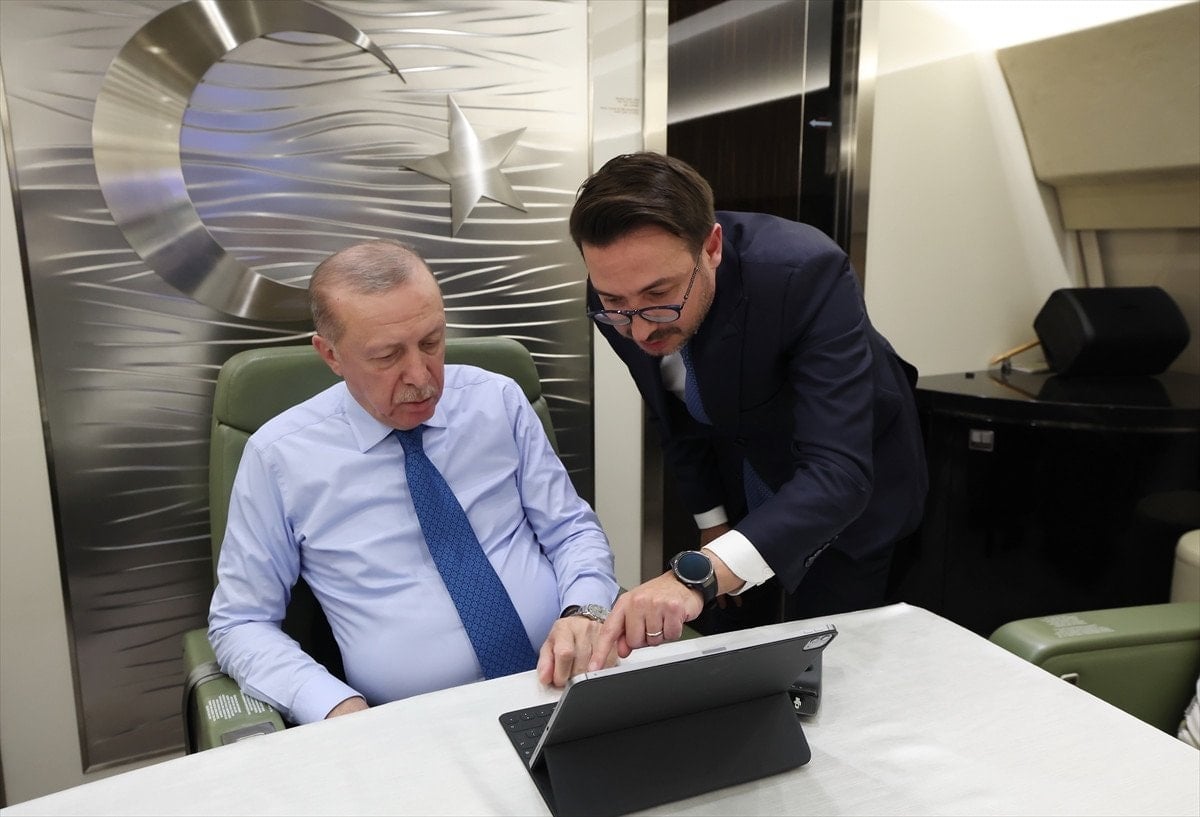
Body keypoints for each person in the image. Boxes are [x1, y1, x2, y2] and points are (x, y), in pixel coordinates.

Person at [209, 239, 619, 724]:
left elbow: (571, 531)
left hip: (567, 681)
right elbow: (241, 622)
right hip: (413, 722)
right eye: (386, 356)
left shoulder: (497, 402)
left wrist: (586, 611)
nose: (421, 377)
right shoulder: (279, 457)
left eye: (431, 342)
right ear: (331, 355)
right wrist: (333, 705)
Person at [569, 152, 928, 665]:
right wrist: (713, 523)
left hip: (850, 480)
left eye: (659, 295)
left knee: (831, 655)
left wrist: (699, 574)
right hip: (741, 467)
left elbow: (839, 472)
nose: (640, 329)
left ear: (711, 247)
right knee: (730, 644)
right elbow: (673, 413)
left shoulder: (804, 270)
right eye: (615, 304)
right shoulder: (620, 292)